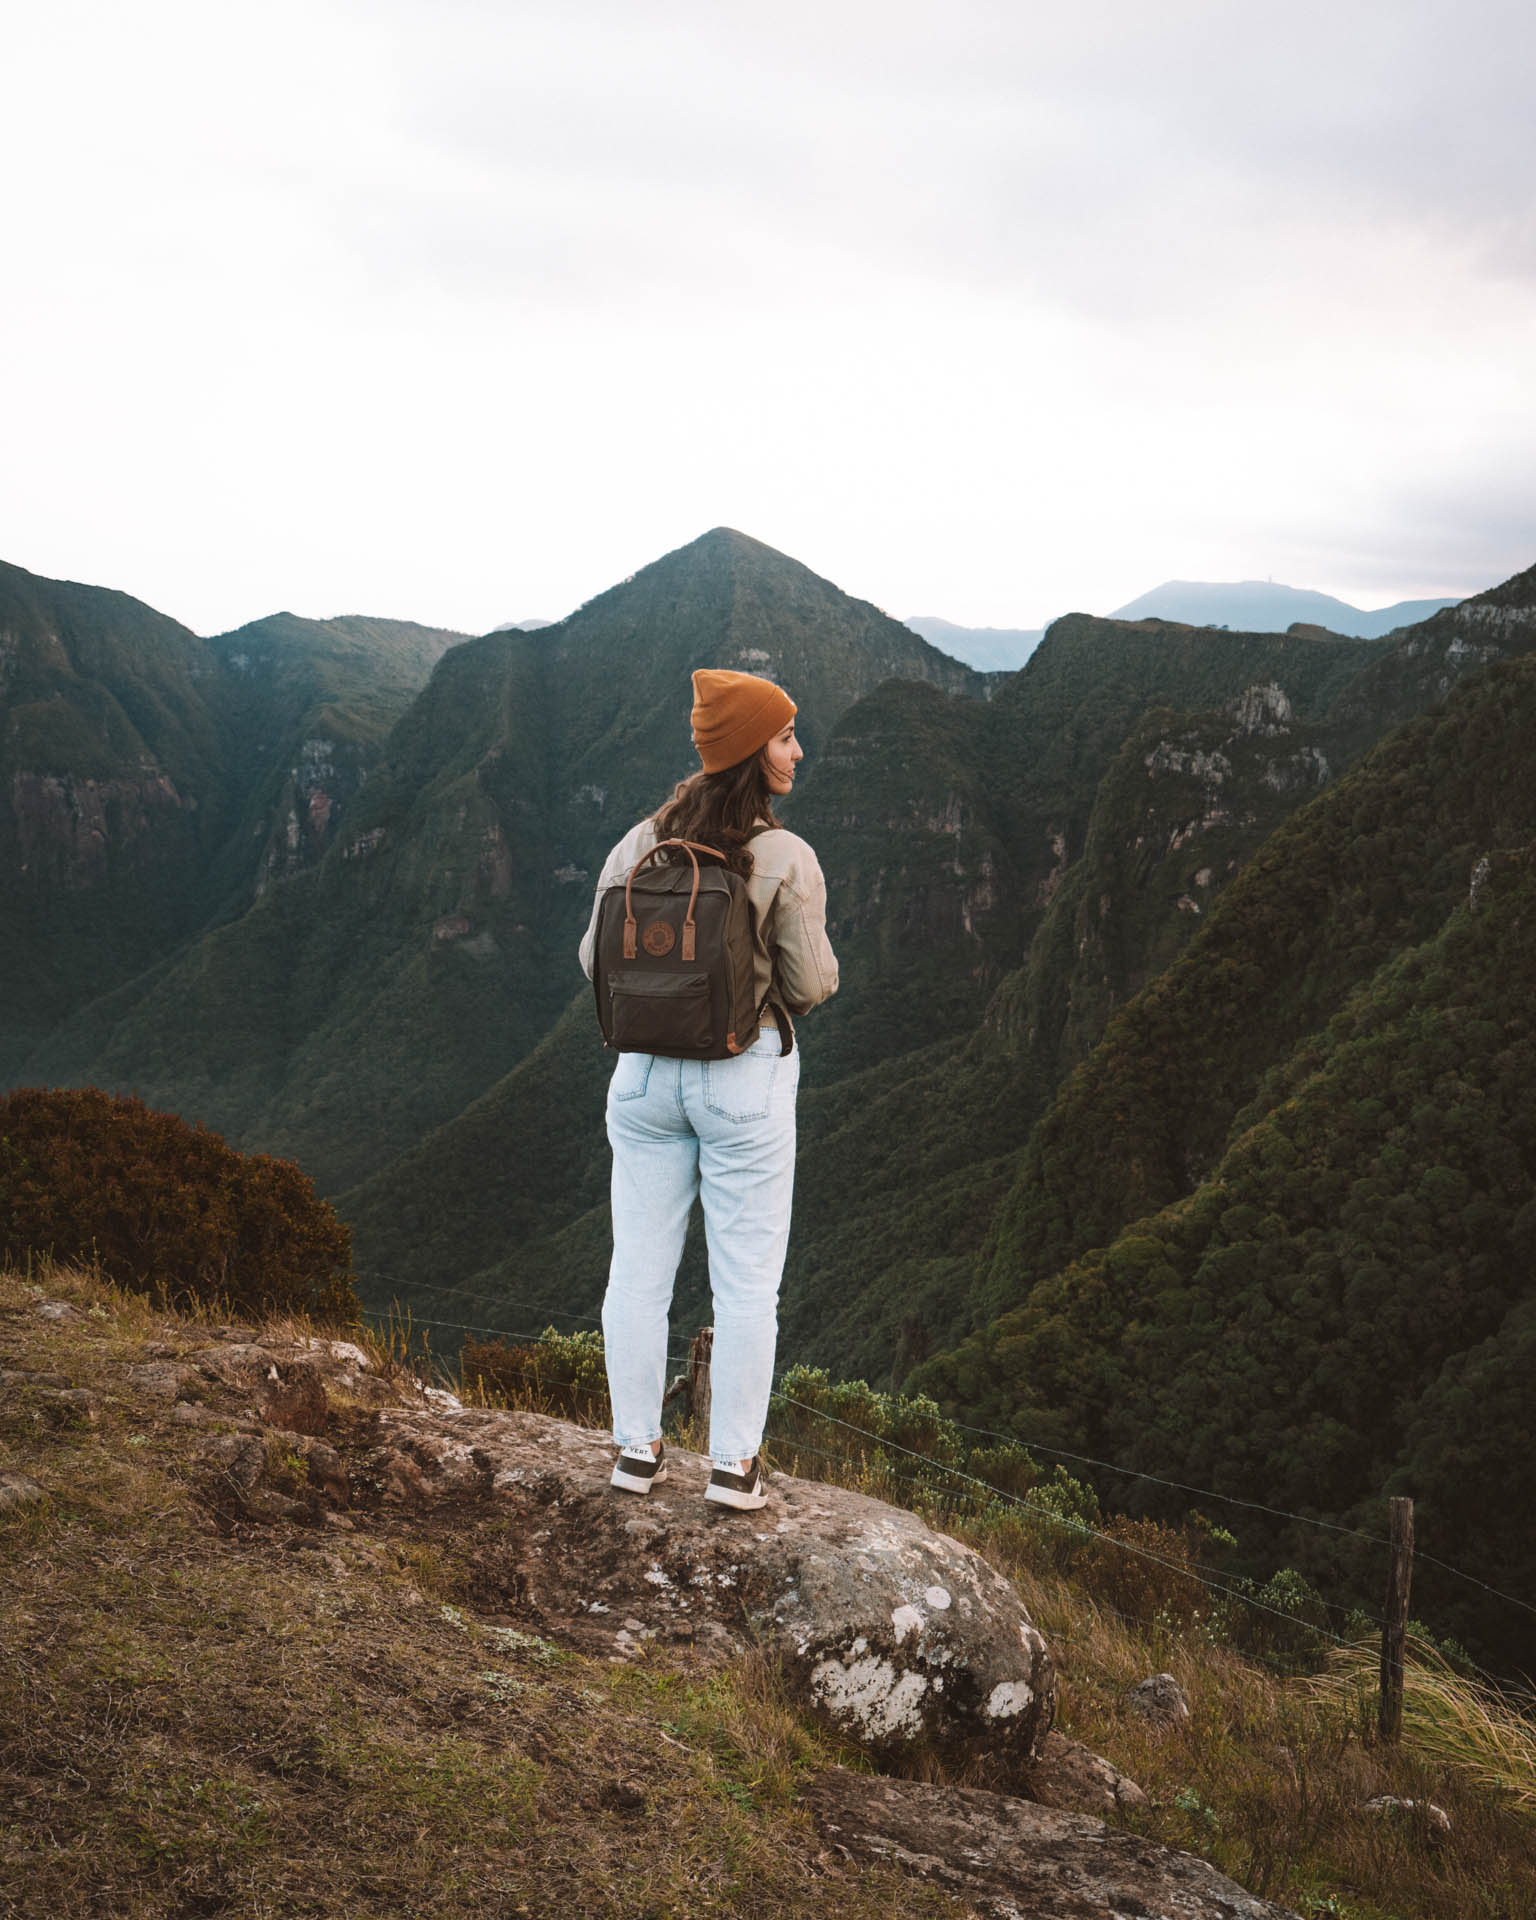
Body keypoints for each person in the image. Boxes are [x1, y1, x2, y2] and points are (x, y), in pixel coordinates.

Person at [578, 668, 839, 1511]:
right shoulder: (784, 855)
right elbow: (809, 983)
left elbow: (592, 962)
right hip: (741, 1081)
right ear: (750, 750)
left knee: (637, 1274)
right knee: (746, 1284)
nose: (798, 750)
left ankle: (632, 1452)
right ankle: (732, 1468)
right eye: (785, 735)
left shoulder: (637, 844)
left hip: (643, 1079)